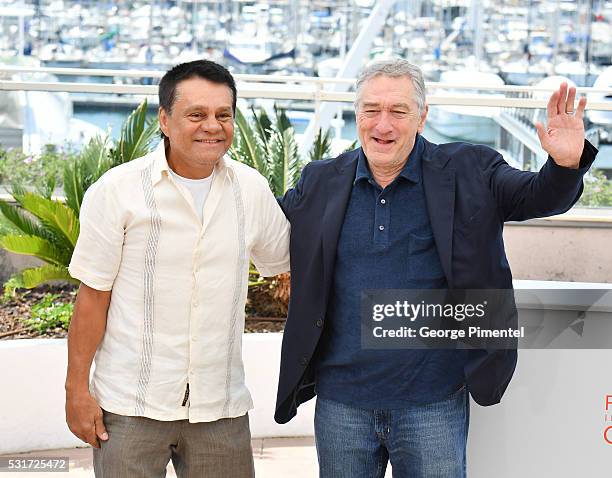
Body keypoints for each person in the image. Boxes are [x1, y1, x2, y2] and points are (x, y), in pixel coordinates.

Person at [274, 59, 598, 477]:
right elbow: (264, 227)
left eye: (398, 111)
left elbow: (537, 197)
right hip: (342, 404)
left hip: (433, 403)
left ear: (423, 116)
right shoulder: (321, 181)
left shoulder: (471, 170)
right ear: (357, 115)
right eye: (371, 110)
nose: (382, 124)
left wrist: (564, 165)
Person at [65, 60, 290, 478]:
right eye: (197, 114)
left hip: (221, 408)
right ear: (165, 121)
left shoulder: (252, 190)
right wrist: (76, 391)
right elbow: (92, 298)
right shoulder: (117, 191)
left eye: (224, 115)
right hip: (130, 407)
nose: (213, 125)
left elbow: (288, 263)